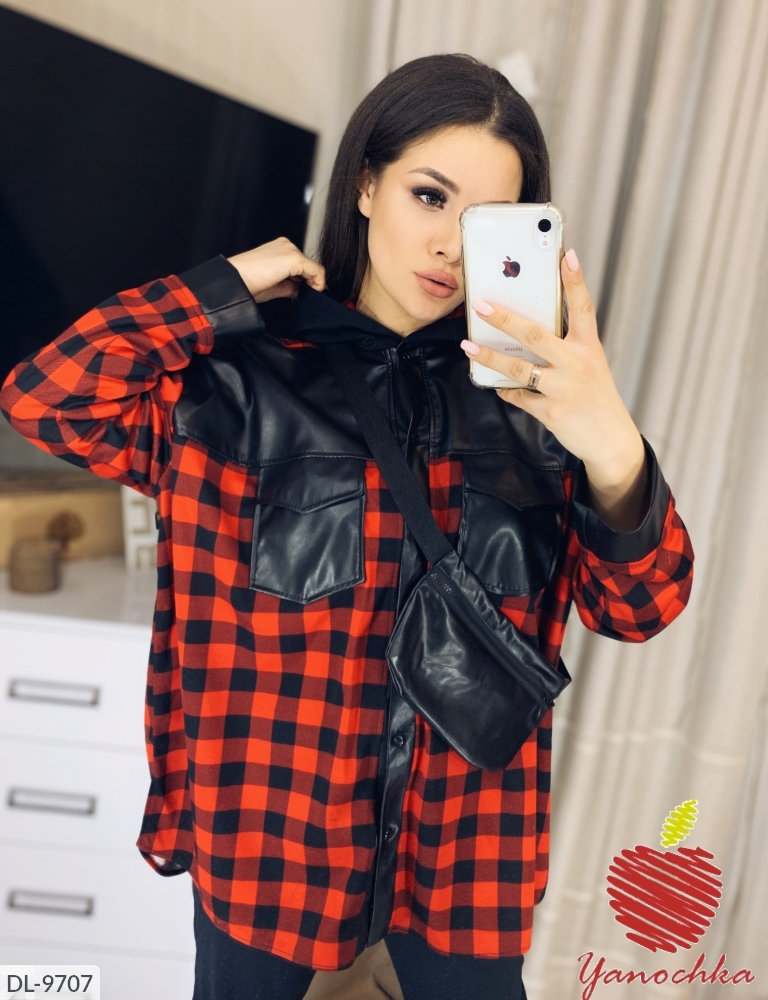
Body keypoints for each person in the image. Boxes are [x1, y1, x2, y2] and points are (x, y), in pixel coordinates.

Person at [0, 54, 693, 1000]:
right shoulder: (234, 385)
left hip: (466, 852)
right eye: (429, 194)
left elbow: (640, 609)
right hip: (270, 838)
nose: (449, 247)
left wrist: (610, 437)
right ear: (365, 183)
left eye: (483, 221)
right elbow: (45, 399)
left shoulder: (540, 409)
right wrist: (220, 288)